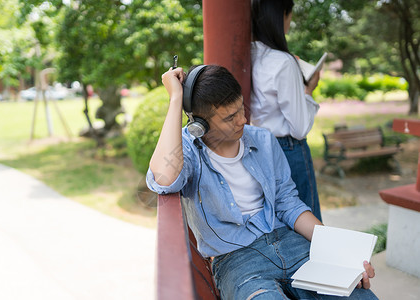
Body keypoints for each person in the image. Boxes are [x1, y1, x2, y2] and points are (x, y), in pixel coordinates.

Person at [146, 64, 377, 299]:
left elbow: (289, 204)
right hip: (237, 261)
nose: (242, 120)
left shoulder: (263, 139)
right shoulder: (189, 152)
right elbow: (164, 180)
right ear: (200, 125)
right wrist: (176, 99)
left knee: (360, 296)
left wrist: (336, 252)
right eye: (230, 117)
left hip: (291, 244)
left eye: (240, 110)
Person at [250, 0, 322, 221]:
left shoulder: (249, 55)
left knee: (278, 223)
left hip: (259, 147)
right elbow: (299, 128)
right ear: (282, 15)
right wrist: (308, 91)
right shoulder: (283, 62)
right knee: (306, 222)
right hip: (289, 149)